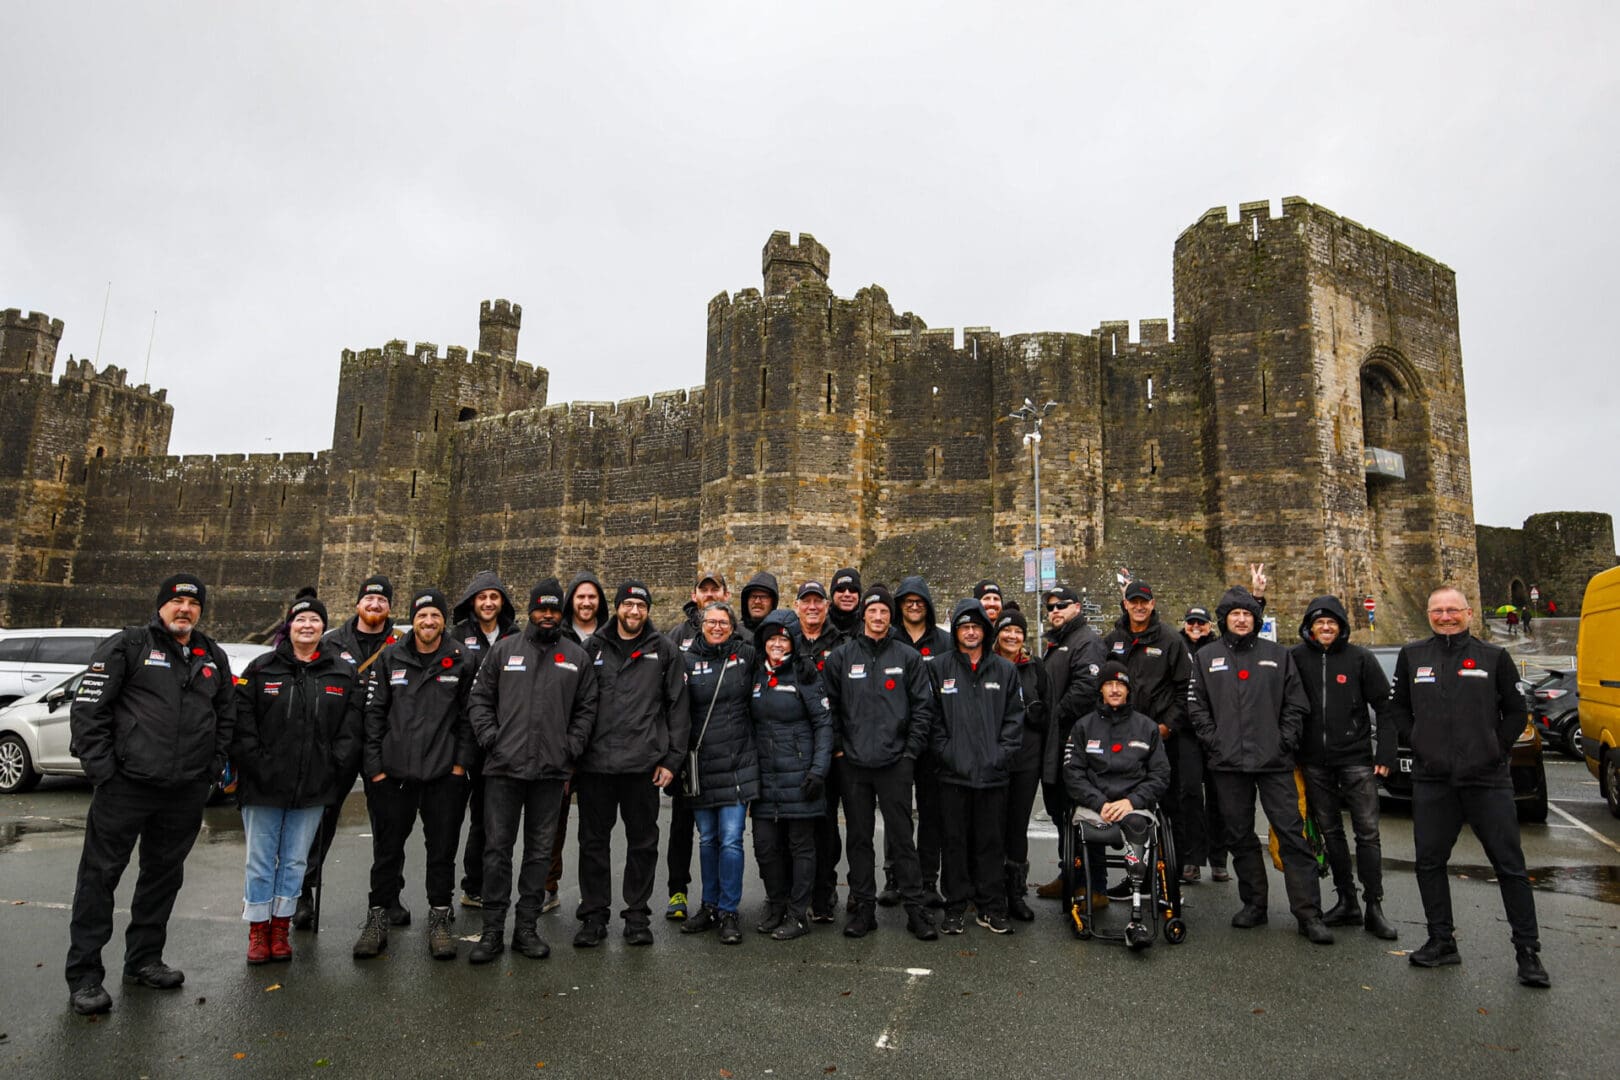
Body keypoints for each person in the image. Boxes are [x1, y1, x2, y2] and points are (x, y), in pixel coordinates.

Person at [64, 573, 235, 1015]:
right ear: (161, 605)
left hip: (184, 791)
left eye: (193, 604)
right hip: (126, 786)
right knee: (99, 879)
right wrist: (103, 771)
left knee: (162, 879)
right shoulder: (129, 644)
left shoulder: (212, 655)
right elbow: (88, 709)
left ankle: (143, 960)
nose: (185, 609)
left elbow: (226, 717)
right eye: (177, 601)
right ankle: (84, 975)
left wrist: (210, 771)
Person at [1386, 586, 1549, 987]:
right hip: (1433, 779)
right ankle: (1441, 941)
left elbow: (1515, 711)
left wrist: (1496, 748)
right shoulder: (1413, 656)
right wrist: (1419, 739)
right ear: (1428, 614)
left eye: (1452, 610)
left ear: (1468, 613)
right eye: (1438, 610)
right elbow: (1398, 707)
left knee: (1510, 867)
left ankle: (1527, 953)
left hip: (1486, 779)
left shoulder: (1494, 657)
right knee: (1429, 863)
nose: (1445, 616)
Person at [1188, 586, 1333, 944]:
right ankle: (1254, 904)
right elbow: (1196, 707)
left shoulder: (1277, 654)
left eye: (1247, 614)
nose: (1241, 619)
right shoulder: (1206, 657)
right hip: (1228, 763)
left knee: (1291, 835)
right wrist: (1215, 740)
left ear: (1256, 619)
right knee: (1239, 836)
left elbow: (1296, 704)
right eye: (1235, 614)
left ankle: (1308, 914)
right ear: (1224, 620)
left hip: (1274, 761)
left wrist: (1284, 740)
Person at [465, 578, 598, 964]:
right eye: (541, 608)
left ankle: (526, 927)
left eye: (554, 609)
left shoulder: (576, 656)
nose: (548, 615)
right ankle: (492, 932)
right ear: (530, 610)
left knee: (539, 855)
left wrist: (570, 747)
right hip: (504, 769)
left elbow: (587, 709)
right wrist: (492, 738)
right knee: (497, 852)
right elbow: (480, 700)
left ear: (562, 612)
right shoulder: (505, 651)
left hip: (551, 772)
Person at [232, 594, 364, 964]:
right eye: (301, 620)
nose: (308, 626)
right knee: (260, 861)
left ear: (324, 628)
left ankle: (280, 926)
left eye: (315, 621)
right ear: (289, 626)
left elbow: (350, 731)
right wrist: (258, 765)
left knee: (294, 862)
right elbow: (242, 726)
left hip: (314, 786)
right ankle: (258, 929)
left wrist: (333, 768)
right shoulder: (261, 669)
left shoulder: (340, 672)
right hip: (263, 786)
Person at [353, 590, 475, 961]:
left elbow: (470, 718)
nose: (428, 622)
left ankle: (439, 918)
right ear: (413, 620)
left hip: (443, 777)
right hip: (394, 775)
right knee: (387, 852)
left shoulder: (461, 659)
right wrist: (374, 770)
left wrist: (459, 767)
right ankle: (377, 918)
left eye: (435, 616)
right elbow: (373, 715)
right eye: (422, 616)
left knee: (442, 853)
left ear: (443, 621)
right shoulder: (390, 657)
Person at [574, 581, 689, 947]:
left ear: (648, 610)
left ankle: (637, 915)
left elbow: (678, 709)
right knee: (593, 842)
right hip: (596, 765)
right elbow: (576, 706)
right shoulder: (592, 649)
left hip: (643, 766)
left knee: (643, 843)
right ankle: (593, 916)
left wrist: (672, 760)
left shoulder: (665, 651)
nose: (635, 612)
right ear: (618, 607)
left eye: (641, 606)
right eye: (629, 605)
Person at [823, 585, 939, 941]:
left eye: (884, 612)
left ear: (891, 617)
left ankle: (915, 910)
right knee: (858, 839)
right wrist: (840, 750)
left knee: (903, 838)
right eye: (872, 611)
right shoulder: (841, 658)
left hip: (895, 764)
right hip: (854, 765)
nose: (878, 617)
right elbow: (831, 708)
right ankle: (863, 908)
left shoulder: (908, 657)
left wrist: (909, 753)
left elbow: (923, 709)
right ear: (864, 615)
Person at [1288, 595, 1399, 940]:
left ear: (1341, 626)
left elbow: (1385, 706)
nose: (1325, 627)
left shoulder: (1360, 659)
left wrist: (1387, 754)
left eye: (1332, 622)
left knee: (1367, 833)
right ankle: (1347, 899)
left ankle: (1374, 905)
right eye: (1319, 622)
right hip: (1313, 761)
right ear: (1309, 626)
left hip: (1355, 759)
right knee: (1330, 832)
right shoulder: (1295, 658)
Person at [294, 574, 399, 930]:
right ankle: (303, 894)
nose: (374, 605)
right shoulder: (331, 642)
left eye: (381, 601)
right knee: (320, 823)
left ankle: (389, 896)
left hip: (383, 747)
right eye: (369, 600)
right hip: (338, 745)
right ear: (358, 604)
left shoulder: (400, 644)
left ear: (389, 606)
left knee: (388, 826)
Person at [930, 599, 1024, 935]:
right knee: (953, 844)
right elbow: (933, 721)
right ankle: (954, 907)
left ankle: (991, 907)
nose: (970, 632)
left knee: (990, 844)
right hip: (952, 775)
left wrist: (999, 756)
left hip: (992, 776)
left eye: (976, 626)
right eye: (964, 627)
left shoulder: (1005, 670)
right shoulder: (938, 668)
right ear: (955, 632)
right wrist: (947, 753)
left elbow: (1015, 721)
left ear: (985, 631)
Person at [1062, 662, 1170, 942]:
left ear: (1128, 690)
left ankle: (1136, 913)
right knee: (1087, 829)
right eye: (1109, 684)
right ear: (1101, 689)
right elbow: (1072, 773)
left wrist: (1131, 801)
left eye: (1120, 685)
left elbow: (1160, 774)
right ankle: (1092, 891)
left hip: (1134, 806)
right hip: (1094, 805)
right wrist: (1099, 803)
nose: (1114, 689)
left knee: (1137, 825)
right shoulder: (1083, 726)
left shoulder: (1146, 727)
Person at [1101, 580, 1193, 888]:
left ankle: (1171, 877)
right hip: (1123, 741)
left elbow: (1185, 689)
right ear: (1125, 604)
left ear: (1152, 604)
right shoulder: (1113, 640)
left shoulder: (1170, 640)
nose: (1139, 606)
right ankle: (1135, 878)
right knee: (1132, 811)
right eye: (1134, 601)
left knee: (1168, 809)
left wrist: (1168, 725)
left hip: (1162, 739)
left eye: (1145, 601)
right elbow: (1103, 688)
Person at [749, 609, 834, 941]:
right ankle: (777, 904)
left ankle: (798, 914)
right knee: (765, 846)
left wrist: (818, 771)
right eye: (771, 638)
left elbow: (824, 726)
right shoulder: (756, 676)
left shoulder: (806, 675)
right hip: (765, 778)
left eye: (783, 638)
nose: (777, 644)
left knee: (801, 846)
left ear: (793, 643)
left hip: (801, 778)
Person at [677, 601, 759, 944]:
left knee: (730, 841)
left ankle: (728, 911)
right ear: (701, 625)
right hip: (701, 766)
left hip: (738, 762)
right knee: (708, 840)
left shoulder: (746, 656)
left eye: (723, 621)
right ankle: (708, 906)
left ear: (732, 625)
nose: (716, 627)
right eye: (710, 621)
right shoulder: (686, 661)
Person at [448, 570, 518, 911]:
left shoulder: (515, 635)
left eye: (494, 597)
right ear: (472, 602)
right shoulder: (458, 636)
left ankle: (480, 883)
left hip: (502, 739)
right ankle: (455, 890)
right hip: (465, 738)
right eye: (482, 597)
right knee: (454, 818)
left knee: (490, 817)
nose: (488, 603)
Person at [661, 569, 728, 920]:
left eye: (715, 589)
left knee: (721, 832)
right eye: (704, 590)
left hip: (722, 749)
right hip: (686, 749)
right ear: (695, 595)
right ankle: (677, 892)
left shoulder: (737, 635)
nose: (709, 594)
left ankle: (716, 898)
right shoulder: (675, 636)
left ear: (726, 595)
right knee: (682, 827)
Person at [1033, 585, 1105, 901]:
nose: (1055, 611)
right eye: (1050, 607)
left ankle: (1094, 885)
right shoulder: (1058, 642)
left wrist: (1053, 715)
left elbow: (1087, 689)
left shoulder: (1085, 641)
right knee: (1063, 815)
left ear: (1076, 607)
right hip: (1055, 743)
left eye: (1061, 605)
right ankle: (1071, 874)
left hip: (1074, 746)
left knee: (1082, 816)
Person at [791, 579, 851, 922]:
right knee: (801, 829)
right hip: (795, 751)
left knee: (827, 827)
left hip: (832, 751)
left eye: (818, 601)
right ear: (797, 605)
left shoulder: (841, 645)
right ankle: (796, 894)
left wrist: (838, 746)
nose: (812, 607)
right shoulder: (786, 641)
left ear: (827, 607)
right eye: (806, 601)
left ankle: (825, 894)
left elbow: (848, 701)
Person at [893, 575, 949, 908]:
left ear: (927, 605)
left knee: (932, 815)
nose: (913, 606)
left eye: (919, 601)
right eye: (907, 601)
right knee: (897, 814)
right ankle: (894, 878)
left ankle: (928, 880)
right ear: (900, 605)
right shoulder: (889, 637)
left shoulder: (944, 642)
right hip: (895, 741)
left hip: (932, 742)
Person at [992, 609, 1049, 921]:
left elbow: (1048, 710)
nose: (1012, 636)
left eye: (1017, 631)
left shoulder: (1035, 668)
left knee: (1017, 828)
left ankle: (1015, 892)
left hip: (1026, 759)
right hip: (995, 758)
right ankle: (990, 890)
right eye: (1006, 630)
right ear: (998, 634)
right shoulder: (988, 665)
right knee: (991, 827)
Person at [1180, 604, 1228, 881]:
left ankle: (1219, 858)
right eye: (1191, 622)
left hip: (1218, 730)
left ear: (1210, 625)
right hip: (1187, 732)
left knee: (1219, 796)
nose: (1196, 627)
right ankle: (1192, 858)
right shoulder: (1177, 646)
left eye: (1201, 623)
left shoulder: (1221, 648)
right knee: (1190, 794)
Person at [828, 567, 863, 637]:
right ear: (832, 594)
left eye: (852, 589)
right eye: (841, 589)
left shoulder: (869, 627)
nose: (847, 594)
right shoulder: (819, 624)